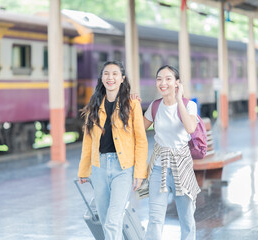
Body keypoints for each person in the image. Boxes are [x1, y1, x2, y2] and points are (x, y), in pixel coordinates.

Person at [77, 60, 148, 240]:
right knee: (104, 218)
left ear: (122, 79)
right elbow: (88, 141)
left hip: (123, 168)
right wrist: (84, 170)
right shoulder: (94, 105)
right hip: (99, 166)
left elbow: (141, 140)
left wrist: (140, 173)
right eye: (106, 73)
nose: (110, 77)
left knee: (113, 220)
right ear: (101, 78)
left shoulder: (132, 105)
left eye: (115, 74)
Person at [143, 65, 201, 240]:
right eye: (159, 79)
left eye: (168, 79)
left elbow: (190, 128)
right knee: (154, 218)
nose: (163, 83)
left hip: (182, 166)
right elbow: (136, 131)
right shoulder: (154, 106)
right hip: (158, 169)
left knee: (187, 219)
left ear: (177, 83)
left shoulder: (189, 105)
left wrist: (179, 99)